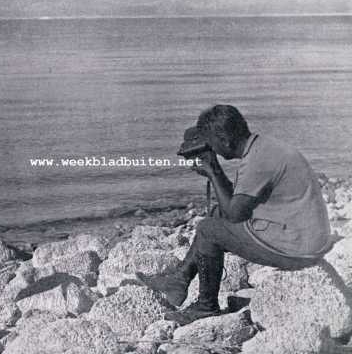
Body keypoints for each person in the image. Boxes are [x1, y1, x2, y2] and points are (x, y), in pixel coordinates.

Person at [136, 105, 335, 324]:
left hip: (297, 248)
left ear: (225, 140)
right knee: (216, 211)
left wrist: (213, 171)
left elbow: (235, 215)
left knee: (208, 229)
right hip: (303, 234)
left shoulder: (256, 162)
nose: (213, 150)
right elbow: (233, 204)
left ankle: (206, 307)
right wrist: (215, 170)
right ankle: (179, 279)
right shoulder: (263, 147)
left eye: (212, 144)